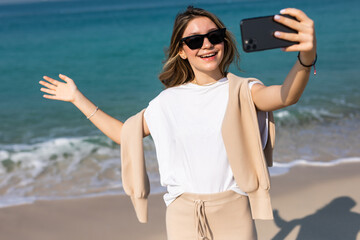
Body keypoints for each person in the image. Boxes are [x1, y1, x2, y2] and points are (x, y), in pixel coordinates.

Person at [39, 6, 316, 240]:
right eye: (194, 41)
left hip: (233, 211)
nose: (206, 45)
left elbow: (286, 95)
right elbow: (126, 135)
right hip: (182, 215)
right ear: (182, 51)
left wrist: (306, 57)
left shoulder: (244, 90)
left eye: (214, 37)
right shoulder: (166, 102)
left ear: (224, 41)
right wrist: (77, 98)